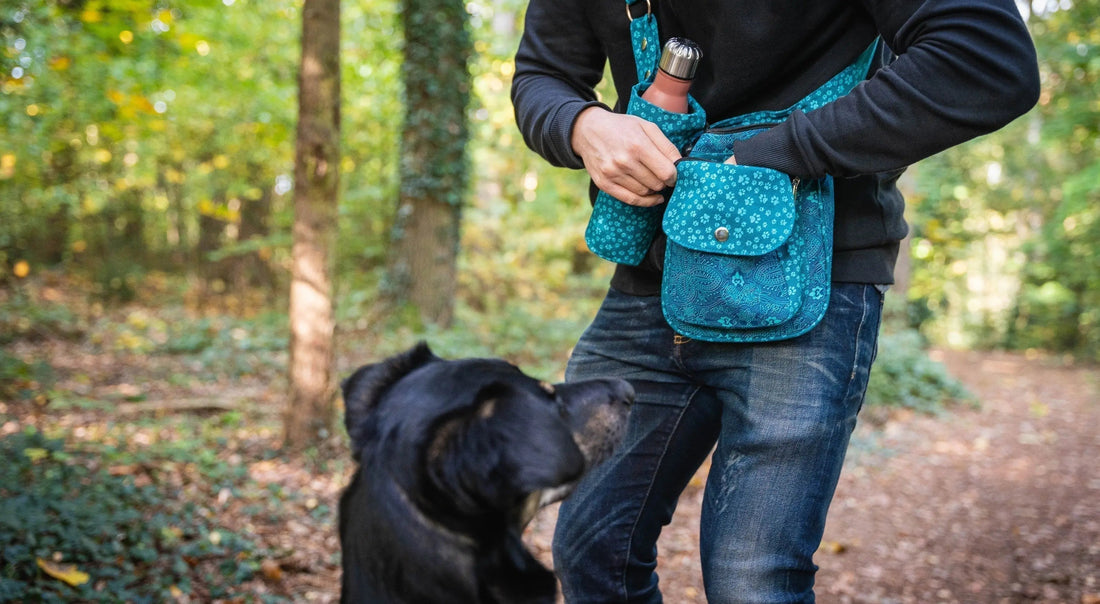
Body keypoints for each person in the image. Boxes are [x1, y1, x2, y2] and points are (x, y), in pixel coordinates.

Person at [510, 0, 1039, 602]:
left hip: (810, 284)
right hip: (649, 279)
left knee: (752, 581)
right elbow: (541, 76)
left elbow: (988, 61)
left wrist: (767, 158)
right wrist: (583, 125)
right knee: (589, 553)